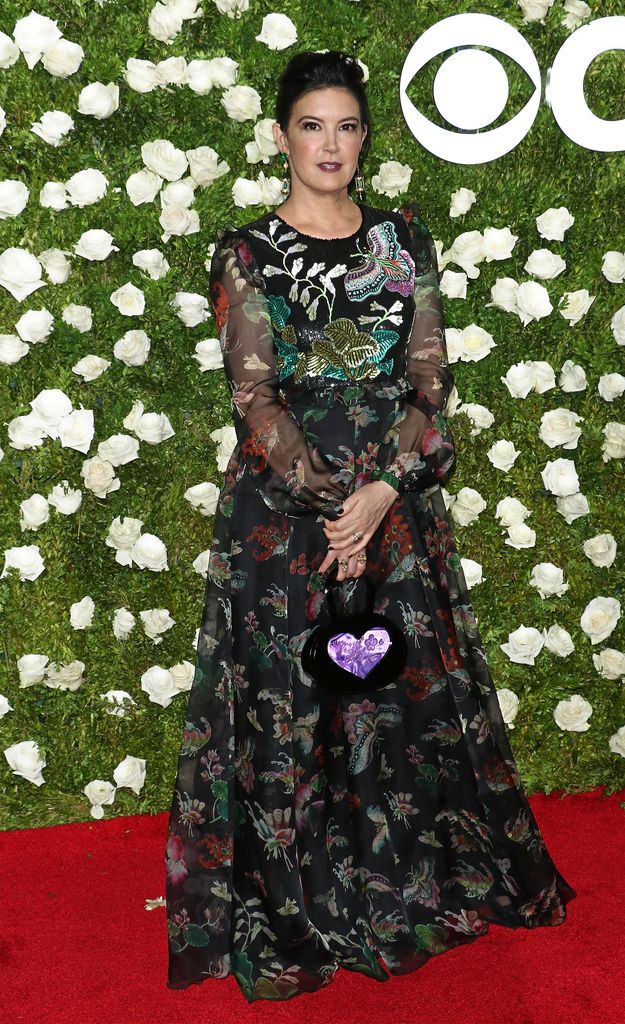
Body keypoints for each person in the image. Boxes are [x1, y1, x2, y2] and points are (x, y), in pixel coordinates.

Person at [164, 49, 577, 1003]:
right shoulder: (246, 251)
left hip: (393, 508)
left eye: (347, 126)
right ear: (281, 136)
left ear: (363, 138)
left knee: (398, 700)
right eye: (313, 125)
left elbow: (430, 384)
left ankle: (406, 878)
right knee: (296, 705)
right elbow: (254, 397)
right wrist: (327, 506)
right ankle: (302, 893)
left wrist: (383, 493)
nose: (331, 145)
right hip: (284, 516)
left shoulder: (402, 238)